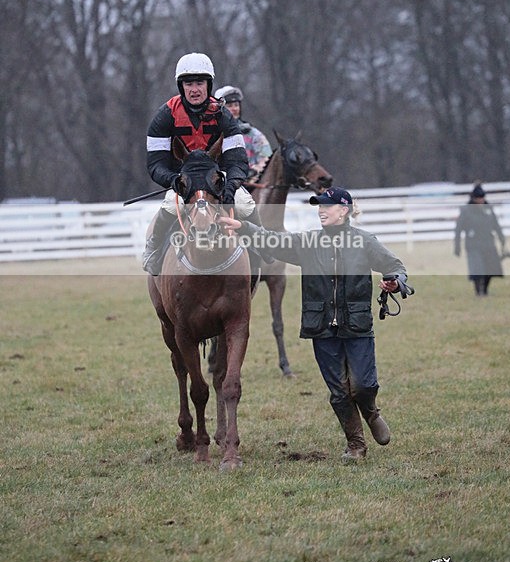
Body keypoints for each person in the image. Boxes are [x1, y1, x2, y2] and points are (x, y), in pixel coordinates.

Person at [219, 186, 410, 463]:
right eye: (318, 206)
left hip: (356, 326)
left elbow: (395, 265)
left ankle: (371, 412)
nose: (320, 210)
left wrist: (395, 281)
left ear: (343, 211)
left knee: (363, 385)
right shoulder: (307, 242)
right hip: (321, 327)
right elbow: (272, 241)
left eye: (327, 206)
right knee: (339, 391)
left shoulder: (365, 241)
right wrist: (244, 227)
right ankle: (355, 445)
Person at [143, 52, 258, 275]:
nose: (194, 89)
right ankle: (154, 249)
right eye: (189, 83)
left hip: (217, 179)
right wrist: (172, 180)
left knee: (246, 205)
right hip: (184, 182)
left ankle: (261, 245)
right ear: (181, 86)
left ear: (208, 85)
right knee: (168, 207)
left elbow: (237, 162)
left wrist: (231, 187)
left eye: (199, 83)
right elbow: (155, 164)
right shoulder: (164, 117)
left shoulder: (224, 115)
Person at [454, 182, 508, 296]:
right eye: (478, 198)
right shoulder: (466, 211)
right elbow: (458, 229)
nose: (481, 201)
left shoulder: (488, 209)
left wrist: (502, 238)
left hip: (488, 243)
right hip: (473, 244)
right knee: (478, 269)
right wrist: (457, 246)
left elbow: (496, 225)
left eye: (482, 198)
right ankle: (479, 291)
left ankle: (485, 290)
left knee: (490, 268)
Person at [213, 85, 272, 179]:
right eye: (229, 106)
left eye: (236, 105)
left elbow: (267, 157)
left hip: (251, 183)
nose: (235, 109)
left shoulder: (253, 134)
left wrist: (254, 170)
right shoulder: (212, 134)